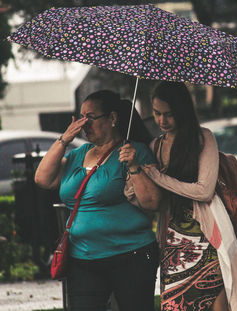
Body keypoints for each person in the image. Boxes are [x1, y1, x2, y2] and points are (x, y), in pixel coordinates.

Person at [34, 90, 162, 311]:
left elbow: (152, 203)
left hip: (131, 256)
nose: (84, 124)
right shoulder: (77, 154)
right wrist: (64, 139)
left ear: (112, 118)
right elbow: (42, 179)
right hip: (82, 258)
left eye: (90, 117)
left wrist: (133, 165)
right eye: (80, 117)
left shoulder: (133, 152)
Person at [135, 81, 237, 311]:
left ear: (182, 111)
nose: (162, 121)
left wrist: (158, 177)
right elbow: (152, 198)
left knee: (216, 304)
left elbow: (204, 190)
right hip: (173, 239)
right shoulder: (155, 146)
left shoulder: (203, 138)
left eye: (169, 114)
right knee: (175, 304)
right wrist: (134, 166)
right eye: (157, 113)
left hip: (207, 234)